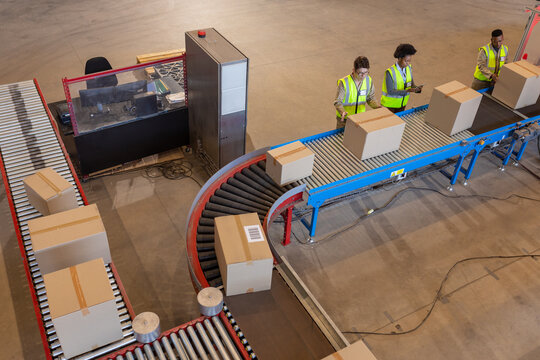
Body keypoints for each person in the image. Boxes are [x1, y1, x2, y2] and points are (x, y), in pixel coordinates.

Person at [334, 56, 380, 129]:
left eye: (366, 72)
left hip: (360, 119)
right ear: (353, 70)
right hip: (345, 120)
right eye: (360, 73)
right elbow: (338, 102)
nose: (363, 76)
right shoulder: (344, 83)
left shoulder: (368, 80)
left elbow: (370, 98)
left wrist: (378, 106)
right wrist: (342, 112)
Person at [381, 44, 423, 113]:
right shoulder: (390, 72)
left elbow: (411, 84)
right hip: (389, 107)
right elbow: (390, 91)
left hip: (402, 105)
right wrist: (407, 91)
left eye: (409, 61)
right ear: (400, 58)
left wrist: (416, 89)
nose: (408, 63)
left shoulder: (409, 68)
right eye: (406, 61)